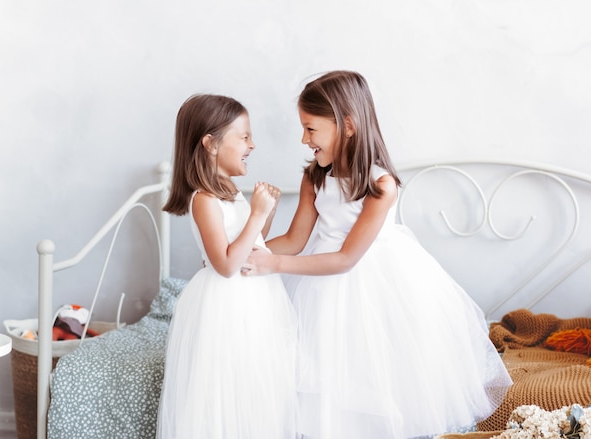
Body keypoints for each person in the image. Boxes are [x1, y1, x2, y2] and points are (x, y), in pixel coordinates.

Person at [242, 71, 512, 439]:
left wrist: (272, 264)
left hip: (371, 281)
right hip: (319, 284)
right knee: (323, 367)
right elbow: (294, 238)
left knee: (375, 364)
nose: (304, 140)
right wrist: (247, 253)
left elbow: (346, 259)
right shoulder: (315, 177)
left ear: (347, 125)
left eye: (310, 129)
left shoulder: (380, 185)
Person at [157, 94, 298, 439]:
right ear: (211, 144)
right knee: (226, 387)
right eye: (244, 136)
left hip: (256, 298)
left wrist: (266, 215)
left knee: (256, 381)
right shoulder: (203, 199)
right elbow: (225, 264)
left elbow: (249, 242)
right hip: (226, 301)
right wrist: (258, 214)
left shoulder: (229, 190)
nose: (252, 144)